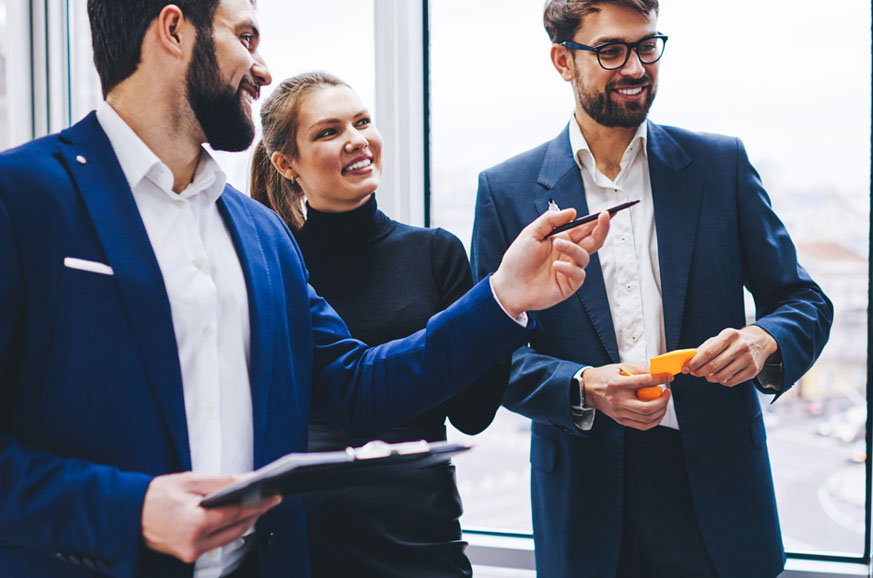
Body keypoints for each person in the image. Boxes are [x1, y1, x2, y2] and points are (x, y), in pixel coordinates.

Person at [0, 1, 612, 577]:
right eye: (245, 38)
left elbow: (359, 385)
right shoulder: (23, 198)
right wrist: (127, 510)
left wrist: (504, 296)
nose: (262, 70)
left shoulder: (261, 236)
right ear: (173, 30)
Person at [470, 1, 834, 577]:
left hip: (717, 491)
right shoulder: (506, 192)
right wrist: (583, 385)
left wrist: (764, 341)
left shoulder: (720, 165)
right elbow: (487, 357)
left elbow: (805, 301)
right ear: (563, 61)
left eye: (647, 46)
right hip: (586, 499)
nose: (637, 67)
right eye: (611, 51)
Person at [249, 71, 507, 578]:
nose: (356, 140)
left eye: (362, 122)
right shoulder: (272, 266)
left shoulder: (435, 253)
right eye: (329, 131)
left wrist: (505, 307)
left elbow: (475, 414)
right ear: (286, 164)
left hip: (421, 544)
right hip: (303, 547)